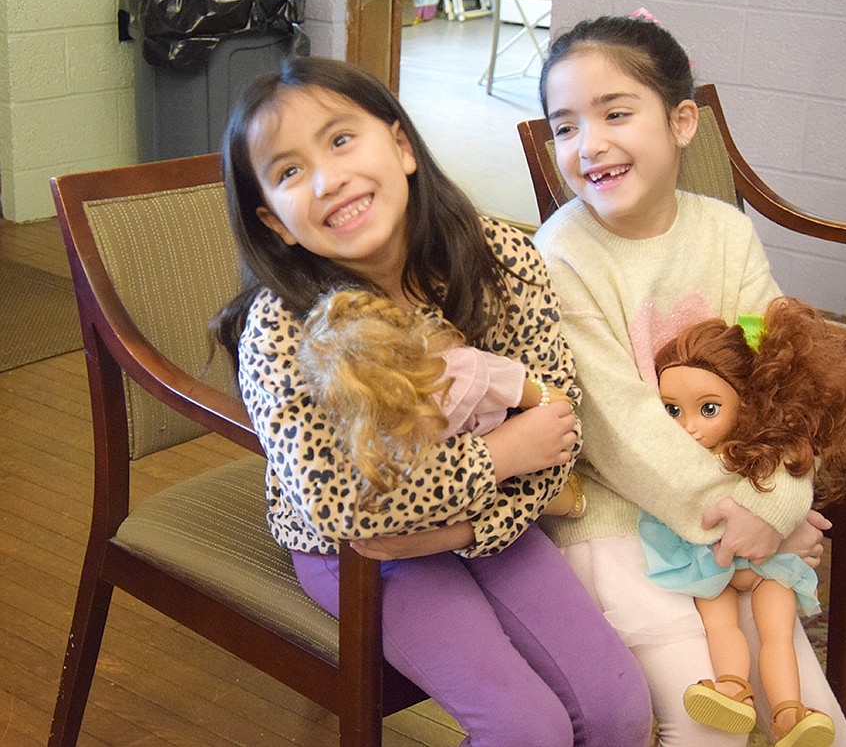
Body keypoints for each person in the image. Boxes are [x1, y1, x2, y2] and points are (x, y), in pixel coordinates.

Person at [212, 55, 651, 746]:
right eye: (290, 170)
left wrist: (463, 527)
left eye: (340, 138)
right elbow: (345, 509)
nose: (328, 178)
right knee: (524, 727)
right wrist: (501, 454)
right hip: (361, 556)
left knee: (617, 710)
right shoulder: (281, 325)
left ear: (401, 145)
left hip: (488, 521)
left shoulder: (500, 255)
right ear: (277, 223)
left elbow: (558, 423)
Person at [532, 14, 846, 745]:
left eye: (616, 112)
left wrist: (780, 499)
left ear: (682, 122)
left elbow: (785, 377)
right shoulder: (558, 255)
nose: (589, 144)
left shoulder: (725, 232)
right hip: (619, 519)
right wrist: (754, 517)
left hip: (740, 509)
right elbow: (618, 426)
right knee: (704, 718)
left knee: (808, 721)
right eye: (564, 127)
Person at [640, 298, 846, 746]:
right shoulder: (685, 463)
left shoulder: (759, 451)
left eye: (708, 409)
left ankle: (789, 712)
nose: (687, 426)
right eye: (672, 410)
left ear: (746, 404)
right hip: (715, 564)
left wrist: (782, 522)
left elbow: (785, 489)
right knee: (725, 627)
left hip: (756, 564)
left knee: (777, 634)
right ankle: (732, 689)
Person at [298, 287, 586, 518]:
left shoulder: (459, 372)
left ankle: (554, 499)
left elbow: (508, 382)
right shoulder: (370, 434)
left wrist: (543, 397)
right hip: (455, 484)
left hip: (496, 435)